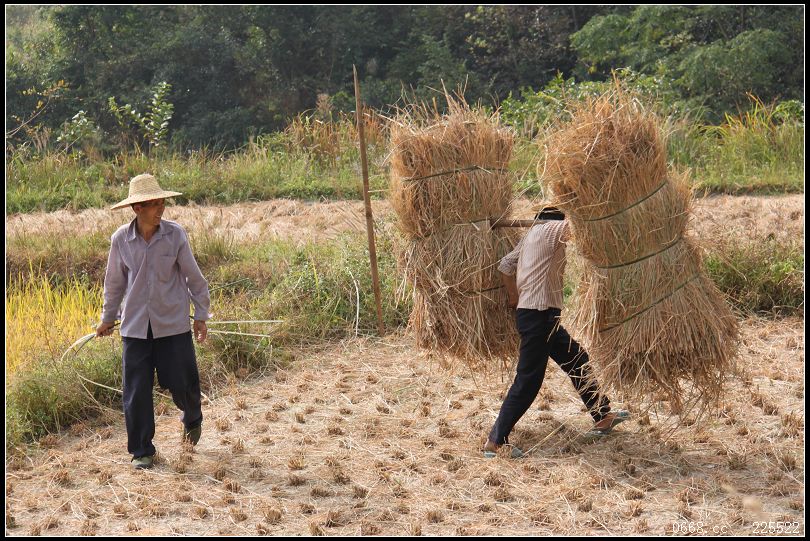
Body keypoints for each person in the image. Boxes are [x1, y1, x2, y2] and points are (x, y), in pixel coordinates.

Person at [483, 205, 629, 458]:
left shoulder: (531, 235)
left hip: (541, 315)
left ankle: (602, 415)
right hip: (539, 316)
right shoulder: (551, 230)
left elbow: (505, 265)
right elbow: (581, 227)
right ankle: (496, 441)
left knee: (576, 358)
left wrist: (514, 296)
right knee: (528, 380)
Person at [96, 173, 210, 470]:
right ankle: (142, 450)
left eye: (162, 202)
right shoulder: (121, 239)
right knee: (136, 391)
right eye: (155, 204)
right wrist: (108, 318)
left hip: (172, 324)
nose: (162, 208)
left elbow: (194, 278)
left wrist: (201, 315)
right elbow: (114, 284)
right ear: (138, 208)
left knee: (182, 383)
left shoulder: (175, 235)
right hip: (135, 327)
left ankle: (192, 417)